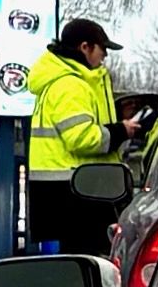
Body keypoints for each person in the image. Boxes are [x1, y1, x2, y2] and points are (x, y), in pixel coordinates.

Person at [25, 17, 127, 264]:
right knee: (87, 264)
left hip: (63, 187)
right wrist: (122, 131)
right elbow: (81, 138)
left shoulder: (60, 80)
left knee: (75, 261)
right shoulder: (71, 85)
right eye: (102, 50)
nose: (104, 58)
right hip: (76, 189)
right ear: (85, 47)